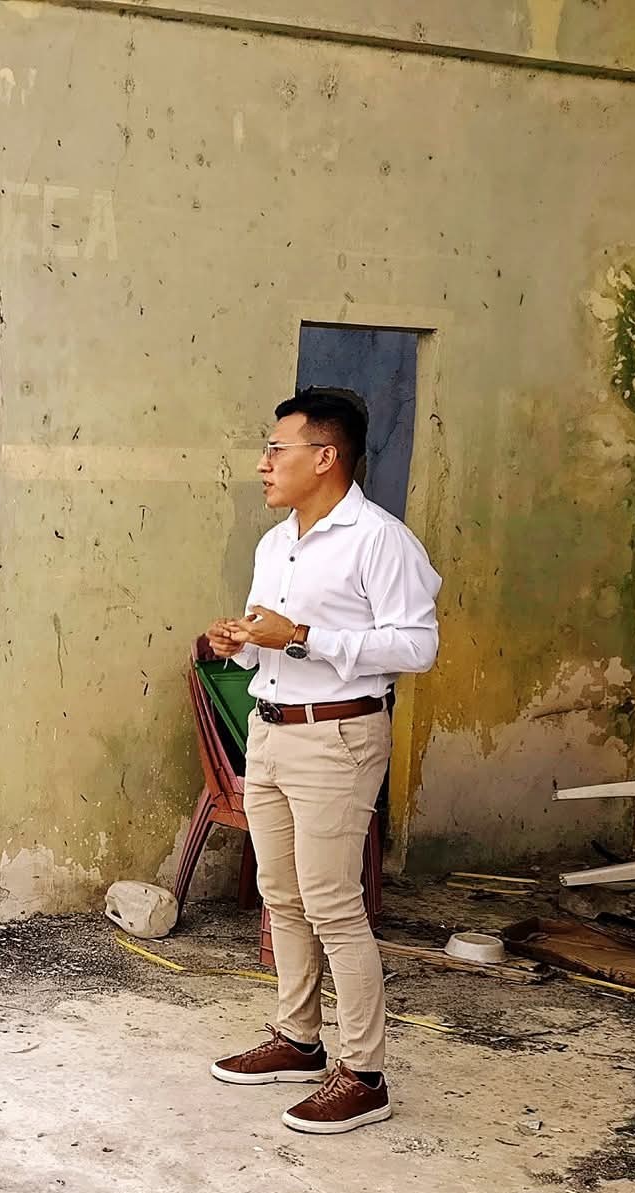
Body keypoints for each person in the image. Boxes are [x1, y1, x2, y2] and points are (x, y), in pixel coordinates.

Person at [206, 390, 441, 1134]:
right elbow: (264, 640)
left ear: (325, 457)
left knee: (333, 903)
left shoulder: (380, 540)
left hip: (339, 736)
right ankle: (298, 1039)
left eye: (277, 450)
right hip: (272, 729)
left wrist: (304, 636)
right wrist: (238, 642)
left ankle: (364, 1074)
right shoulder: (275, 543)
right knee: (280, 894)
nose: (263, 464)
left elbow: (418, 646)